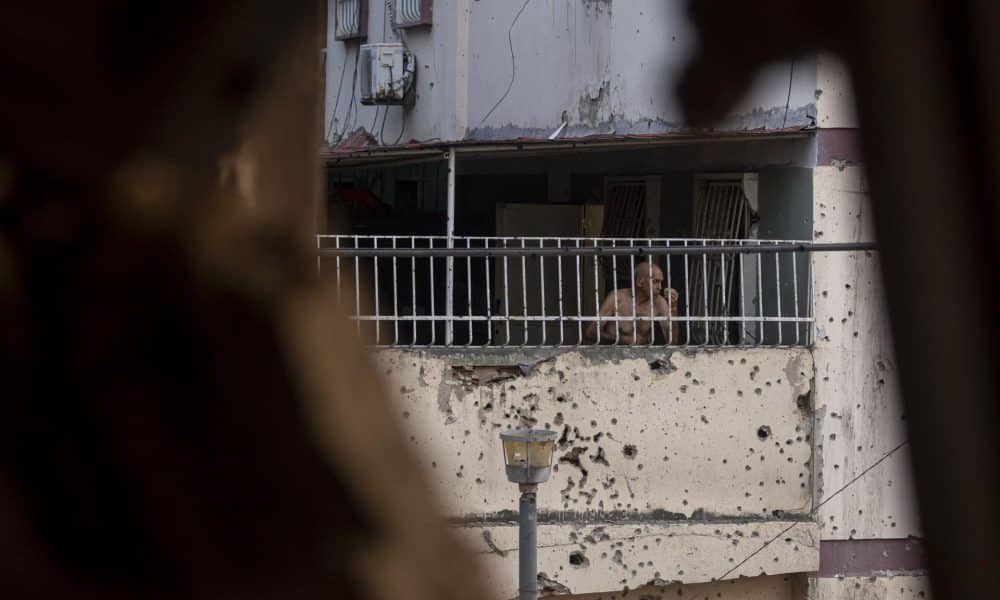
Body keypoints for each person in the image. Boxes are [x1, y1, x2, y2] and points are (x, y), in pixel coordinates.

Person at [584, 261, 680, 345]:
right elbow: (590, 333)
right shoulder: (617, 298)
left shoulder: (659, 302)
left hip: (642, 357)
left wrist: (673, 308)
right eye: (655, 281)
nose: (660, 287)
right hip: (614, 355)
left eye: (661, 282)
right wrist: (622, 340)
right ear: (640, 282)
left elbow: (672, 341)